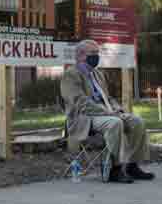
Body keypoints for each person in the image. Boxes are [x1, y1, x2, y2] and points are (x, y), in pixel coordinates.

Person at [60, 39, 154, 183]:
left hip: (106, 113)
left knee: (137, 121)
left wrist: (116, 109)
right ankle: (115, 170)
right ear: (80, 55)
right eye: (93, 53)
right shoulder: (71, 75)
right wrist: (107, 112)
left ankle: (132, 166)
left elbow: (107, 97)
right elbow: (79, 102)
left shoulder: (98, 74)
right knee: (114, 123)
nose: (96, 56)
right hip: (84, 117)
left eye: (97, 53)